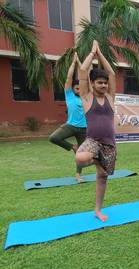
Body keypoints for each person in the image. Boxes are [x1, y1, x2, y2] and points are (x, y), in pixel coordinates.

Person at [75, 40, 117, 222]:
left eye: (105, 83)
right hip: (93, 141)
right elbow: (83, 72)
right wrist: (92, 54)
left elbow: (112, 73)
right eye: (100, 83)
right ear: (92, 84)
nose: (104, 86)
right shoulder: (86, 97)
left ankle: (98, 210)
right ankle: (97, 159)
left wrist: (101, 54)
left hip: (109, 144)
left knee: (103, 177)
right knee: (80, 158)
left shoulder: (110, 97)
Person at [49, 53, 87, 182]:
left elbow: (85, 76)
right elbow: (69, 78)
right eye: (77, 88)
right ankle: (72, 147)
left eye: (81, 88)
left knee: (81, 155)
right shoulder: (69, 95)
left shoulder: (87, 97)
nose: (79, 89)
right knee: (53, 137)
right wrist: (73, 62)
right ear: (72, 88)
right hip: (70, 125)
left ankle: (78, 175)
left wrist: (81, 64)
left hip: (84, 129)